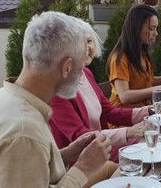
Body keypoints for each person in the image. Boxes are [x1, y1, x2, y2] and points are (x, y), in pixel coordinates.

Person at [0, 11, 112, 187]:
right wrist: (83, 168)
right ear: (67, 67)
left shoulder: (2, 96)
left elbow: (31, 171)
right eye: (80, 66)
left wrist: (64, 155)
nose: (82, 73)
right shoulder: (24, 132)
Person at [50, 23, 153, 163]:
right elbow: (79, 137)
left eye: (89, 41)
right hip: (82, 160)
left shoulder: (86, 73)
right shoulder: (57, 89)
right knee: (143, 154)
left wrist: (149, 111)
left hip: (103, 147)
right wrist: (128, 132)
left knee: (151, 144)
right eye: (80, 42)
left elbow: (110, 112)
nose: (88, 47)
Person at [106, 4, 161, 108]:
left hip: (144, 110)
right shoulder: (119, 58)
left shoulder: (142, 52)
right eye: (152, 29)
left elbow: (146, 80)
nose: (156, 34)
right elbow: (124, 96)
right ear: (137, 27)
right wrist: (160, 89)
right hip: (123, 118)